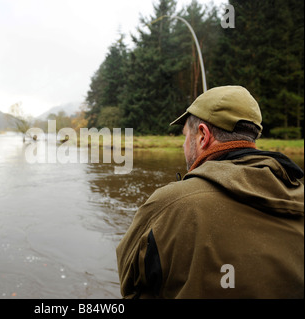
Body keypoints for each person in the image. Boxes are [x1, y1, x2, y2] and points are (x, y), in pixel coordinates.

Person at [116, 85, 304, 299]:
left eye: (186, 136)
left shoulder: (168, 205)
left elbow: (130, 286)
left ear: (203, 136)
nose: (184, 145)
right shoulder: (298, 192)